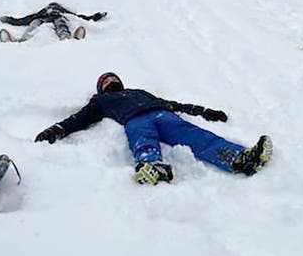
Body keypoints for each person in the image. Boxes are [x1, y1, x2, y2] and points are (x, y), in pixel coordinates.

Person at [35, 71, 273, 184]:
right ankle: (151, 165)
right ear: (100, 88)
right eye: (105, 80)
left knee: (195, 135)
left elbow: (173, 104)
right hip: (135, 119)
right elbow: (80, 118)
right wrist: (57, 129)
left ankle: (238, 157)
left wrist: (203, 111)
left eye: (113, 78)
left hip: (162, 114)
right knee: (141, 137)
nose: (110, 81)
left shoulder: (140, 92)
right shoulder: (101, 102)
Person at [0, 2, 107, 42]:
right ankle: (21, 40)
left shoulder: (62, 13)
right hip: (41, 19)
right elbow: (23, 20)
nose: (52, 9)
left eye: (55, 7)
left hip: (59, 19)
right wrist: (8, 20)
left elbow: (82, 17)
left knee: (61, 25)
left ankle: (68, 39)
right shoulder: (41, 14)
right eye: (51, 7)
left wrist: (96, 16)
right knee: (33, 24)